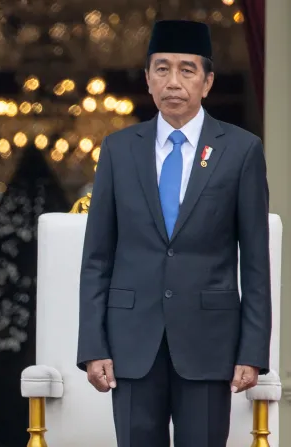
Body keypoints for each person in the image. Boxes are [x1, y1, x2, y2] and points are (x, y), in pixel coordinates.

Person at [76, 20, 271, 447]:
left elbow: (255, 261)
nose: (174, 82)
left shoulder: (240, 150)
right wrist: (93, 345)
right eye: (162, 69)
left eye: (187, 70)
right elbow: (97, 258)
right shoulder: (118, 149)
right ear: (147, 80)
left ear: (208, 81)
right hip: (131, 343)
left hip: (209, 342)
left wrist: (252, 350)